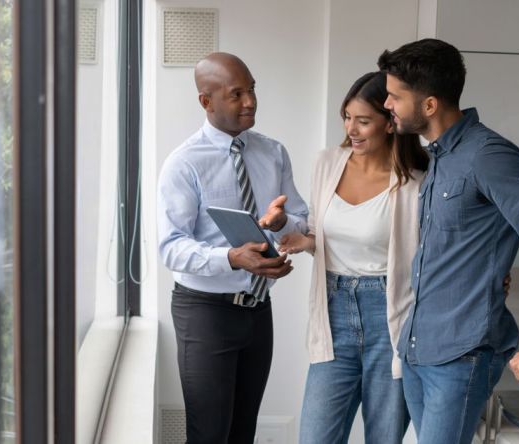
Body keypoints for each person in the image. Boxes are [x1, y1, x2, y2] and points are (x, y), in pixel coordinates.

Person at [379, 39, 519, 444]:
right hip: (419, 348)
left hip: (461, 355)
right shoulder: (441, 156)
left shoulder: (489, 156)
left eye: (395, 96)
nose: (387, 104)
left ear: (430, 105)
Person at [156, 52, 308, 443]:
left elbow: (301, 220)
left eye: (252, 90)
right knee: (208, 434)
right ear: (206, 101)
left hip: (259, 311)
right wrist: (231, 257)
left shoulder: (273, 152)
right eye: (236, 94)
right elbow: (171, 247)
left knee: (243, 433)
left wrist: (282, 222)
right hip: (205, 314)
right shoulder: (184, 163)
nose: (250, 101)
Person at [277, 69, 427, 443]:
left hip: (389, 318)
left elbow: (427, 257)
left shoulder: (415, 182)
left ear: (390, 123)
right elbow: (320, 230)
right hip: (334, 313)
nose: (351, 129)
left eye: (363, 121)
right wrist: (304, 240)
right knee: (316, 437)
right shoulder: (328, 163)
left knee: (383, 437)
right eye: (347, 117)